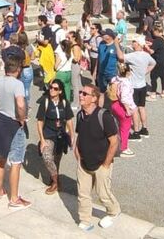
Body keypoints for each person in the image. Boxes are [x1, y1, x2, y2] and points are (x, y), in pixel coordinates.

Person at [0, 54, 32, 210]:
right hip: (13, 122)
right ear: (17, 69)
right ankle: (14, 199)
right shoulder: (18, 85)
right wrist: (22, 118)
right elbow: (21, 104)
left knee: (1, 158)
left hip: (0, 119)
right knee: (16, 162)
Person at [74, 82, 120, 230]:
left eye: (85, 94)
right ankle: (85, 220)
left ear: (94, 98)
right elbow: (79, 134)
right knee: (83, 194)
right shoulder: (80, 115)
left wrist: (106, 164)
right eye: (81, 92)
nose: (81, 95)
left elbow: (114, 142)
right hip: (84, 162)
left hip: (101, 163)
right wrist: (77, 152)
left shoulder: (104, 116)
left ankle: (113, 212)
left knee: (103, 194)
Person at [37, 78, 74, 195]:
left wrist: (72, 135)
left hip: (61, 135)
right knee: (47, 156)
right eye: (51, 88)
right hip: (48, 133)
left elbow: (69, 119)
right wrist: (42, 140)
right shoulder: (45, 101)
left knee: (57, 159)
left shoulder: (64, 103)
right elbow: (39, 122)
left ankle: (53, 179)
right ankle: (56, 181)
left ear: (60, 91)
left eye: (55, 89)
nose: (52, 90)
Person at [123, 35, 156, 138]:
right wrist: (146, 71)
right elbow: (153, 63)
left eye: (134, 42)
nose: (133, 43)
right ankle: (144, 128)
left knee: (134, 109)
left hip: (134, 86)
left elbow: (121, 57)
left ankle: (136, 132)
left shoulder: (133, 56)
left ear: (138, 44)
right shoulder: (146, 55)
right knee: (142, 107)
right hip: (142, 85)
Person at [109, 62, 136, 152]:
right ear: (128, 72)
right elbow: (124, 98)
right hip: (123, 106)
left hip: (114, 104)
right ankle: (124, 148)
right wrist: (127, 109)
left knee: (117, 126)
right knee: (125, 127)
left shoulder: (115, 79)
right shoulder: (126, 83)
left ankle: (115, 144)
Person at [149, 25, 164, 101]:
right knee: (163, 76)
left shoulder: (157, 40)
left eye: (153, 31)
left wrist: (146, 46)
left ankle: (153, 93)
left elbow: (151, 51)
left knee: (153, 76)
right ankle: (163, 93)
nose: (152, 32)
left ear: (157, 31)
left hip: (159, 60)